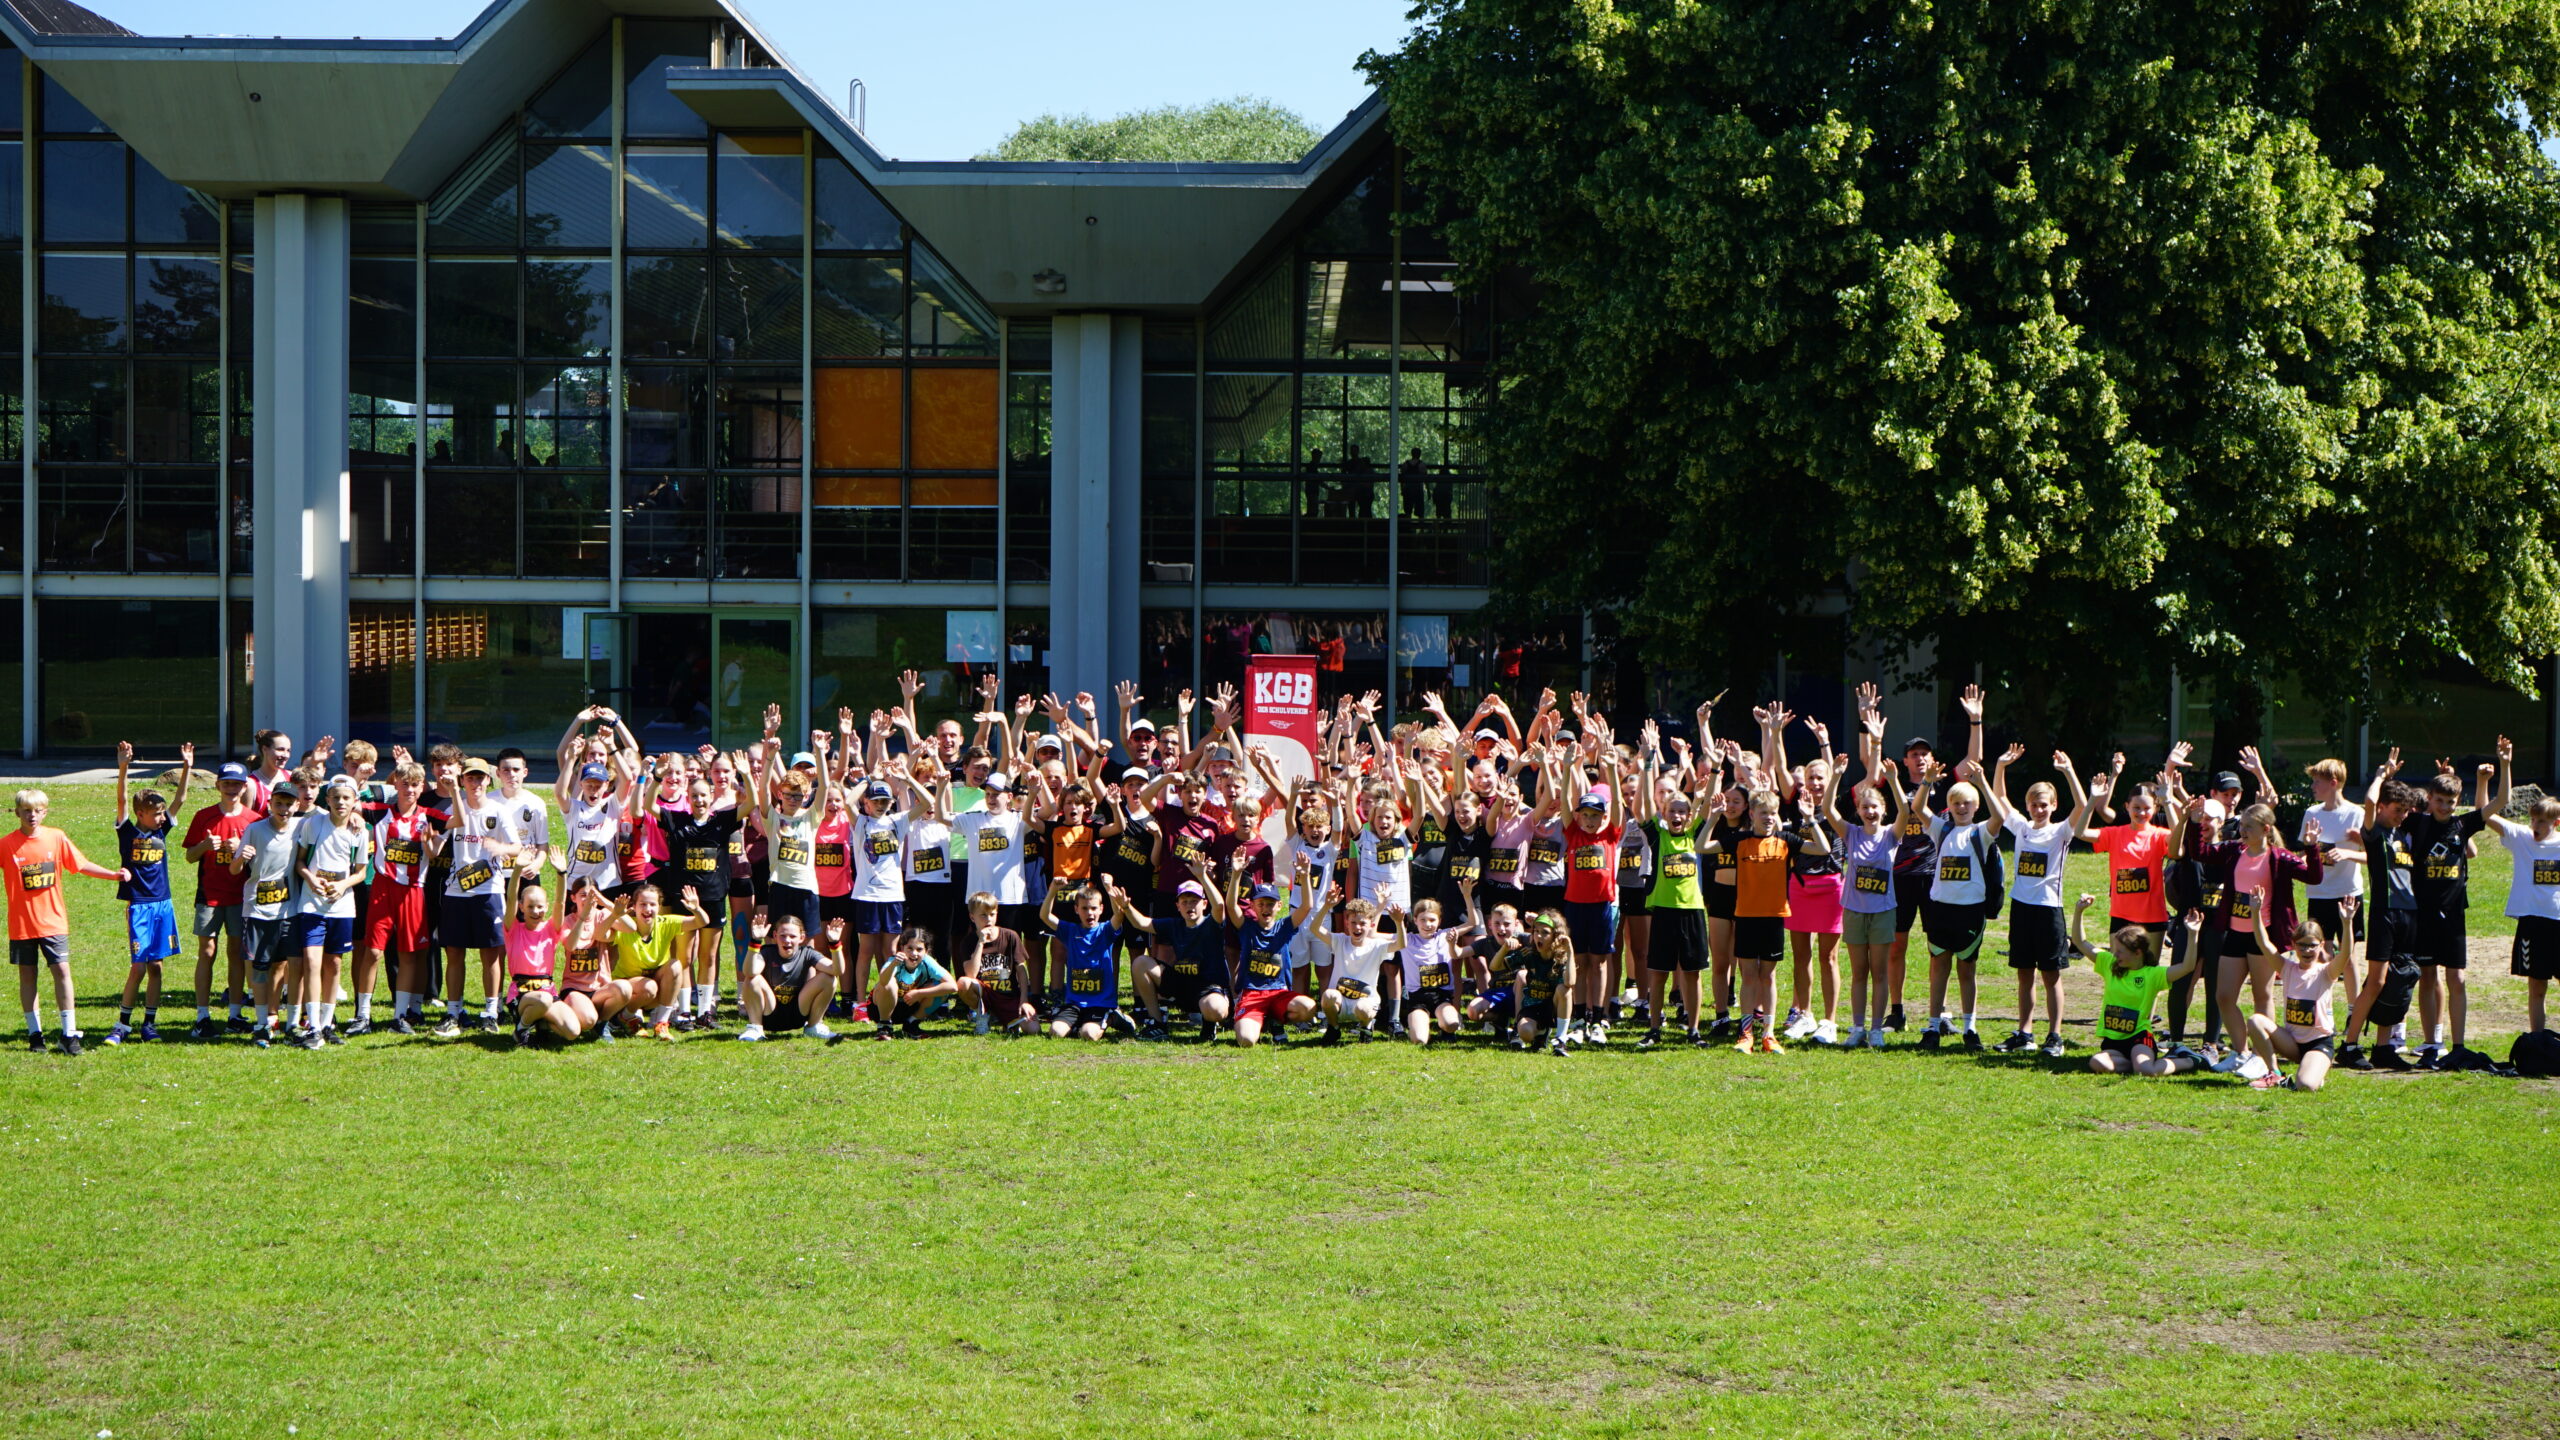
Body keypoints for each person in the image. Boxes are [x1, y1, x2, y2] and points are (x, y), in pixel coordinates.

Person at [1984, 745, 2091, 1059]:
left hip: (2048, 911)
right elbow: (2000, 798)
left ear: (2053, 805)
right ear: (2027, 806)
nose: (2038, 810)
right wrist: (2000, 766)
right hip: (2021, 908)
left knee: (2051, 975)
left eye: (2044, 805)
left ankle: (2055, 1036)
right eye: (2034, 804)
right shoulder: (2021, 827)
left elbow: (2082, 805)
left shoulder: (2060, 832)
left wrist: (2068, 771)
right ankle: (2025, 1033)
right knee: (2024, 974)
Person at [5, 787, 128, 1056]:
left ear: (45, 812)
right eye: (26, 810)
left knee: (62, 972)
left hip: (53, 922)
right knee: (28, 976)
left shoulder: (56, 837)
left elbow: (81, 864)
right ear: (17, 813)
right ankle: (35, 1035)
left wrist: (113, 875)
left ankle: (68, 1034)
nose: (32, 815)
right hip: (22, 925)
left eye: (37, 810)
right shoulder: (6, 844)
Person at [2337, 764, 2424, 1071]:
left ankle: (2383, 1047)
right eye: (2397, 810)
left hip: (2409, 913)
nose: (2403, 815)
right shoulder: (2374, 834)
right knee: (2376, 982)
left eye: (2406, 810)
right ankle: (2349, 1046)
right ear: (2384, 807)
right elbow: (2371, 801)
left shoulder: (2404, 835)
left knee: (2397, 981)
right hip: (2384, 912)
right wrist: (2380, 776)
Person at [1906, 755, 1997, 1051]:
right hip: (1940, 909)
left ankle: (1970, 1028)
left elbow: (2000, 817)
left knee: (1966, 970)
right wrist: (1927, 781)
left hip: (1970, 911)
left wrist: (1982, 783)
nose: (1961, 808)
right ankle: (1933, 1026)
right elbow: (1917, 808)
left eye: (1967, 803)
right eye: (1956, 803)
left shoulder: (1981, 832)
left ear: (1975, 806)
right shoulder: (1941, 829)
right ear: (1949, 806)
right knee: (1938, 967)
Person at [107, 741, 193, 1045]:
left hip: (163, 905)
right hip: (139, 906)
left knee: (156, 966)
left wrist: (187, 766)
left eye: (162, 813)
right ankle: (122, 1024)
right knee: (139, 966)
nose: (162, 817)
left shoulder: (161, 831)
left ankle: (149, 1024)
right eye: (156, 813)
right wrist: (123, 767)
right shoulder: (127, 831)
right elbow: (121, 799)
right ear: (140, 813)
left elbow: (181, 798)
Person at [436, 757, 527, 1037]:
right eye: (470, 778)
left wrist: (500, 848)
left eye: (480, 777)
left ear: (489, 780)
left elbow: (517, 847)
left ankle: (490, 1013)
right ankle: (454, 1013)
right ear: (462, 780)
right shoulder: (455, 807)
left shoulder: (498, 811)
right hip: (456, 891)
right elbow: (437, 843)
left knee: (491, 955)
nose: (475, 783)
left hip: (489, 892)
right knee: (454, 954)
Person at [287, 778, 373, 1048]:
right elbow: (300, 861)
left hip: (342, 907)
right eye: (335, 797)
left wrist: (343, 885)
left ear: (355, 801)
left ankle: (327, 1024)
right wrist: (310, 879)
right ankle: (312, 1025)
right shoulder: (313, 824)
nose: (341, 802)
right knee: (312, 961)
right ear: (327, 800)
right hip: (311, 904)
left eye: (346, 798)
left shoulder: (360, 831)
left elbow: (360, 872)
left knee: (334, 964)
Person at [2485, 736, 2560, 1040]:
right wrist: (2503, 766)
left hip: (2558, 922)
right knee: (2536, 986)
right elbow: (2485, 814)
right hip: (2532, 923)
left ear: (2556, 822)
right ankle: (2538, 1041)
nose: (2536, 826)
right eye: (2533, 820)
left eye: (2542, 821)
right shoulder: (2522, 839)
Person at [2077, 895, 2201, 1077]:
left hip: (2140, 1039)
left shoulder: (2152, 974)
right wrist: (2079, 911)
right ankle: (2135, 1065)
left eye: (2120, 951)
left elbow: (2187, 967)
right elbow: (2081, 942)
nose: (2115, 955)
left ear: (2137, 953)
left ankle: (2188, 1061)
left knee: (2146, 1070)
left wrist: (2193, 934)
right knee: (2097, 1063)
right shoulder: (2109, 964)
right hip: (2113, 1041)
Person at [2247, 887, 2354, 1092]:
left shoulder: (2326, 972)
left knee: (2306, 1085)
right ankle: (2274, 1073)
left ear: (2321, 945)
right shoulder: (2287, 968)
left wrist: (2347, 922)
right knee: (2255, 1020)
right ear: (2294, 945)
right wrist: (2255, 912)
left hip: (2318, 1044)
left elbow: (2346, 953)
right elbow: (2264, 943)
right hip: (2291, 1043)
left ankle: (2312, 1072)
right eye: (2302, 945)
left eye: (2312, 945)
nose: (2307, 950)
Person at [180, 755, 255, 1038]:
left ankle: (235, 1013)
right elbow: (189, 856)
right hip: (209, 896)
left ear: (245, 787)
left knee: (236, 953)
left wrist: (242, 850)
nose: (232, 789)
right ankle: (202, 1016)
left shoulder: (254, 821)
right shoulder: (204, 816)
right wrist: (204, 845)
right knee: (207, 951)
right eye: (227, 783)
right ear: (218, 785)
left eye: (237, 784)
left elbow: (262, 862)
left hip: (240, 897)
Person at [229, 779, 307, 1047]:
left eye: (288, 804)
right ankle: (262, 1024)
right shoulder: (255, 829)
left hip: (289, 910)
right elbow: (234, 870)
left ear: (297, 805)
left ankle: (292, 1023)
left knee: (295, 965)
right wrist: (241, 857)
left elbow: (329, 817)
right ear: (270, 804)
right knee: (260, 968)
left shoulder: (302, 827)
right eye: (279, 803)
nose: (283, 809)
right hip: (257, 910)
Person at [364, 762, 437, 1035]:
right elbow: (342, 802)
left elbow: (458, 821)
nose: (410, 789)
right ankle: (362, 1015)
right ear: (395, 784)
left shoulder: (429, 816)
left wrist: (453, 788)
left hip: (413, 889)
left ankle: (400, 1015)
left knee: (408, 954)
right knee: (373, 952)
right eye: (404, 784)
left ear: (422, 787)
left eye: (415, 785)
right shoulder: (379, 811)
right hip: (383, 887)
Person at [1124, 865, 1232, 1042]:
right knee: (1141, 962)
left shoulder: (1212, 924)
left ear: (1204, 904)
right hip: (1182, 986)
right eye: (1185, 901)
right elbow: (1141, 923)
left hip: (1209, 989)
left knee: (1216, 1010)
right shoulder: (1174, 924)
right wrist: (1126, 906)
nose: (1190, 905)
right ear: (1178, 906)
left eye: (1194, 901)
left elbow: (1220, 905)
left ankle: (1209, 1025)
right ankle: (1157, 1023)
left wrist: (1202, 876)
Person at [1227, 860, 1319, 1048]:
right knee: (1246, 1040)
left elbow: (1306, 906)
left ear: (1279, 906)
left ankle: (1275, 1019)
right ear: (1252, 906)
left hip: (1279, 993)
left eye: (1270, 904)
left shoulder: (1284, 927)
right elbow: (1230, 906)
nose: (1265, 908)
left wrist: (1305, 876)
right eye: (1260, 904)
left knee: (1308, 1008)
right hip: (1252, 993)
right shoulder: (1246, 927)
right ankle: (1262, 1020)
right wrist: (1236, 875)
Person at [604, 883, 711, 1041]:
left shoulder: (666, 922)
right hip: (628, 990)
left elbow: (702, 922)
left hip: (654, 988)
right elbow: (601, 934)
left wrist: (696, 909)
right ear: (634, 907)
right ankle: (624, 1016)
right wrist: (612, 914)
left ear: (659, 907)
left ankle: (661, 1023)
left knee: (675, 965)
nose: (648, 909)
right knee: (649, 987)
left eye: (653, 904)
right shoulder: (626, 927)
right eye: (643, 904)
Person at [1038, 877, 1126, 1042]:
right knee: (1055, 1032)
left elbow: (1119, 915)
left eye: (1093, 908)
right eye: (1084, 908)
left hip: (1100, 1003)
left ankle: (1113, 1017)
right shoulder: (1070, 931)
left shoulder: (1105, 931)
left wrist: (1109, 888)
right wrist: (1052, 891)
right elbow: (1045, 916)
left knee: (1088, 1034)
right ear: (1076, 909)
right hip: (1075, 1003)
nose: (1089, 913)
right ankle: (1080, 1022)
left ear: (1101, 909)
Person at [1312, 887, 1403, 1044]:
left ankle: (1366, 1027)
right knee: (1328, 995)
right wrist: (1326, 906)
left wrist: (1399, 922)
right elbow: (1314, 928)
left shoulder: (1377, 946)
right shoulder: (1340, 941)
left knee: (1363, 1008)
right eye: (1353, 923)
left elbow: (1401, 944)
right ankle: (1333, 1028)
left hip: (1365, 1001)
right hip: (1341, 1000)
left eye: (1362, 923)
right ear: (1347, 924)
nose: (1357, 927)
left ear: (1371, 925)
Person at [738, 911, 843, 1042]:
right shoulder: (767, 952)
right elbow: (750, 972)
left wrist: (834, 943)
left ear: (802, 937)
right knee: (753, 979)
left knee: (829, 979)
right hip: (769, 1013)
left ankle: (813, 1027)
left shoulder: (807, 953)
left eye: (792, 936)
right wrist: (755, 941)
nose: (787, 940)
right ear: (775, 936)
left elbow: (837, 970)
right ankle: (755, 1028)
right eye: (783, 936)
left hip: (798, 1013)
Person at [534, 877, 611, 1042]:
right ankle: (551, 1018)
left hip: (599, 988)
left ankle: (602, 1023)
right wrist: (583, 917)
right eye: (583, 895)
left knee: (624, 989)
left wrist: (608, 905)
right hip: (574, 988)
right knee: (587, 1021)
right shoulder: (568, 921)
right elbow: (571, 946)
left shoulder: (602, 915)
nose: (588, 899)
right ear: (573, 898)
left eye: (592, 895)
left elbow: (631, 927)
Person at [956, 891, 1038, 1036]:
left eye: (992, 914)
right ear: (972, 917)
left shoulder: (1010, 936)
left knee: (1033, 1029)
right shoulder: (968, 941)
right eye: (983, 915)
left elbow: (1021, 970)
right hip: (984, 995)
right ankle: (983, 1015)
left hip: (1009, 996)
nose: (988, 919)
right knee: (963, 982)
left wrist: (1024, 1000)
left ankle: (1008, 1021)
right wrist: (980, 943)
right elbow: (971, 974)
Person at [868, 925, 960, 1041]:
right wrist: (893, 965)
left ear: (926, 951)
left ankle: (911, 1023)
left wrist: (919, 993)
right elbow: (883, 981)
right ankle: (884, 1026)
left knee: (941, 987)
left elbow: (953, 986)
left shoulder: (927, 962)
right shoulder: (895, 961)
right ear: (902, 948)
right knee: (889, 983)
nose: (914, 953)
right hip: (880, 1009)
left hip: (910, 1005)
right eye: (910, 948)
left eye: (919, 949)